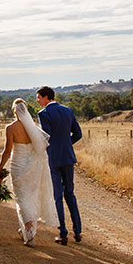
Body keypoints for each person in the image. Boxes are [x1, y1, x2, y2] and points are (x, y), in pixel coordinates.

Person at [0, 98, 54, 247]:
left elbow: (7, 151)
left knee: (21, 198)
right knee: (31, 197)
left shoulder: (11, 128)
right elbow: (43, 147)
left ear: (13, 111)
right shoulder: (33, 128)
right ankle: (28, 230)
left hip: (18, 165)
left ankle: (29, 234)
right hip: (33, 166)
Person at [36, 86, 82, 245]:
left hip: (54, 159)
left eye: (39, 97)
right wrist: (67, 145)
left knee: (57, 195)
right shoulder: (68, 110)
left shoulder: (44, 114)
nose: (38, 101)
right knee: (70, 193)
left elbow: (46, 137)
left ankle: (63, 233)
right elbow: (78, 134)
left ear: (46, 97)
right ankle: (78, 231)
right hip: (68, 157)